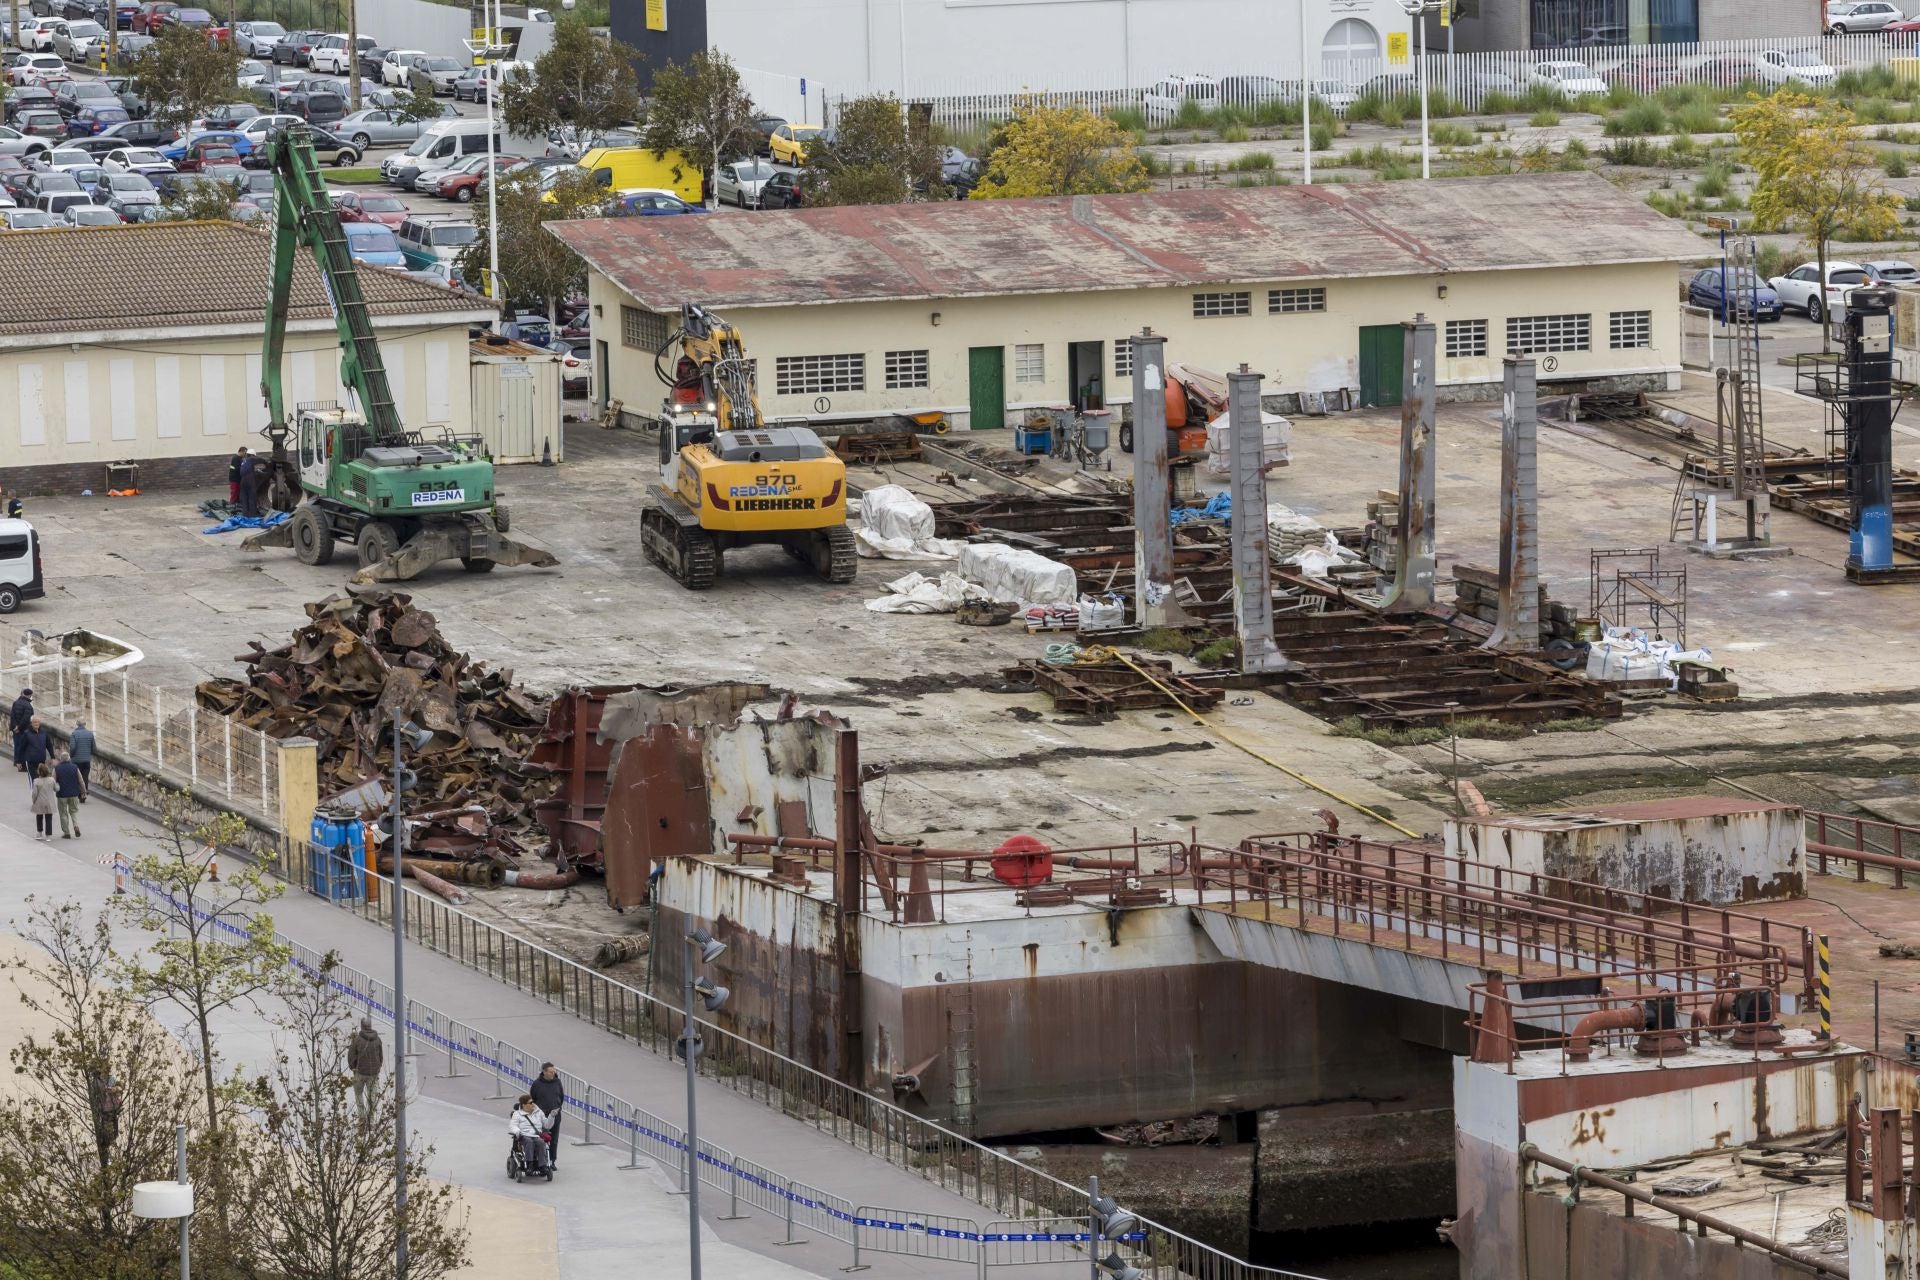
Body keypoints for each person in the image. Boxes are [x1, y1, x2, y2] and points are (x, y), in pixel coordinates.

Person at [346, 1016, 384, 1122]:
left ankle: (362, 1117)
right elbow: (381, 1057)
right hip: (373, 1074)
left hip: (360, 1073)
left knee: (358, 1094)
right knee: (372, 1097)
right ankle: (371, 1119)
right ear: (370, 1026)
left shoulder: (357, 1040)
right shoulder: (377, 1040)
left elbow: (351, 1056)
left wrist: (353, 1068)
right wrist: (377, 1068)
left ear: (362, 1026)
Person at [530, 1062, 565, 1167]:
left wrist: (557, 1108)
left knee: (554, 1139)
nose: (553, 1074)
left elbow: (561, 1097)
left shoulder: (557, 1082)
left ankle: (552, 1161)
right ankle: (540, 1160)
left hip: (555, 1115)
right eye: (550, 1072)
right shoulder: (537, 1084)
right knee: (540, 1138)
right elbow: (533, 1097)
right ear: (544, 1072)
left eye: (554, 1072)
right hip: (541, 1116)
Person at [508, 1094, 551, 1175]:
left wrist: (552, 1116)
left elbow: (547, 1125)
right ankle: (529, 1165)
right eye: (530, 1103)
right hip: (524, 1135)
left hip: (536, 1135)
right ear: (524, 1105)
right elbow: (513, 1125)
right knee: (529, 1142)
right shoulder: (517, 1114)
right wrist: (517, 1132)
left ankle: (543, 1166)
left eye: (533, 1102)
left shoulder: (538, 1112)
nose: (533, 1104)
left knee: (541, 1142)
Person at [52, 751, 82, 839]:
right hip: (74, 794)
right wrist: (83, 791)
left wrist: (54, 789)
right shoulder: (75, 767)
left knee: (63, 813)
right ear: (69, 758)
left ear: (61, 759)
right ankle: (76, 826)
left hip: (62, 794)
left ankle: (67, 833)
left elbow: (53, 781)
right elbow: (81, 781)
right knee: (74, 811)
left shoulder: (56, 768)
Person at [18, 717, 51, 796]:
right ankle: (34, 797)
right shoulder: (27, 733)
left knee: (42, 780)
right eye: (35, 722)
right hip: (30, 761)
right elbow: (21, 747)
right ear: (31, 723)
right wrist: (18, 761)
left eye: (38, 722)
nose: (36, 724)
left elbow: (49, 745)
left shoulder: (44, 733)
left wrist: (52, 757)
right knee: (34, 779)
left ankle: (40, 796)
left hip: (41, 761)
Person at [67, 719, 93, 798]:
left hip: (76, 760)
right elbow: (93, 747)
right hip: (86, 760)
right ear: (85, 724)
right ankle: (84, 792)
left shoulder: (74, 734)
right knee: (85, 776)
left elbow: (72, 747)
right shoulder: (90, 734)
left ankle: (79, 793)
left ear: (77, 724)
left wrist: (71, 756)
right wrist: (89, 755)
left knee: (77, 776)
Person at [29, 763, 54, 841]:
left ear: (39, 772)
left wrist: (34, 801)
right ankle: (48, 836)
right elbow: (56, 788)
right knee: (49, 818)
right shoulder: (51, 780)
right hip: (49, 802)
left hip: (39, 802)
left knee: (39, 817)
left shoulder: (36, 781)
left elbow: (34, 794)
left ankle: (39, 833)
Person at [9, 687, 31, 770]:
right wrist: (19, 727)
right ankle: (22, 765)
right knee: (23, 747)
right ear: (29, 695)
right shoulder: (28, 705)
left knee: (17, 746)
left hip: (16, 730)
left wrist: (15, 727)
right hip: (23, 730)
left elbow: (12, 716)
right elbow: (26, 718)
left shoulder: (15, 702)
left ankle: (16, 762)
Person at [238, 450, 260, 519]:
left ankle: (245, 514)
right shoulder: (251, 460)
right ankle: (252, 515)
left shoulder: (243, 461)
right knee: (252, 498)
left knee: (244, 498)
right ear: (252, 455)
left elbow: (246, 470)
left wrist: (255, 471)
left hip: (243, 481)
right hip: (249, 482)